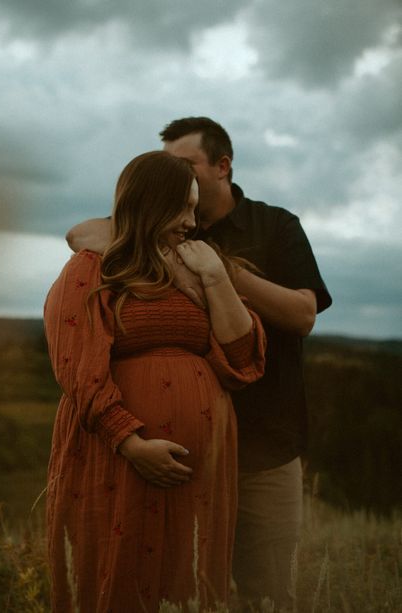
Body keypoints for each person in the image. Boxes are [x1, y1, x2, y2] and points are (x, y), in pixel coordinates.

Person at [66, 118, 332, 611]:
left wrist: (218, 272)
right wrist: (151, 244)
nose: (177, 179)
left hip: (264, 441)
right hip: (169, 454)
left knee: (266, 592)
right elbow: (80, 232)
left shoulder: (273, 226)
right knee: (178, 589)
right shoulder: (159, 233)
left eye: (184, 165)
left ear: (221, 166)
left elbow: (303, 314)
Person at [44, 150, 266, 613]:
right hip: (118, 458)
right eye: (181, 207)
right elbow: (77, 367)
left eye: (194, 207)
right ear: (150, 202)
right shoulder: (94, 266)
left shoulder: (201, 268)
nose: (191, 221)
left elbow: (243, 361)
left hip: (199, 474)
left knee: (186, 586)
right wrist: (131, 442)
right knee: (119, 576)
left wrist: (213, 277)